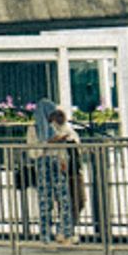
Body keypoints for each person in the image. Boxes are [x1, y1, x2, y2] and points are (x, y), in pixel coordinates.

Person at [41, 104, 82, 245]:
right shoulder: (51, 130)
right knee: (65, 201)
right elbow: (45, 144)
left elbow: (74, 143)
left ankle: (66, 231)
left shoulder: (68, 129)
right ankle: (64, 232)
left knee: (76, 200)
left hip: (72, 168)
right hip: (62, 169)